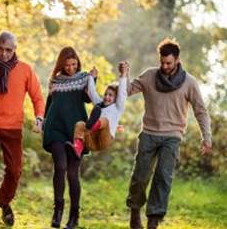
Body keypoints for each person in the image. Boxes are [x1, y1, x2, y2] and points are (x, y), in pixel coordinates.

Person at [123, 38, 212, 229]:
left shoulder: (189, 82)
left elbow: (200, 111)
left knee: (163, 176)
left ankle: (154, 219)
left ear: (177, 60)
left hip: (172, 136)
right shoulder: (149, 75)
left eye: (168, 63)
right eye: (162, 62)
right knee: (140, 175)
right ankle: (135, 210)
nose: (164, 66)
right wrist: (123, 77)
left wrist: (207, 136)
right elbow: (126, 91)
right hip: (148, 133)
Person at [0, 31, 45, 229]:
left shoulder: (25, 70)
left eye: (8, 50)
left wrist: (39, 117)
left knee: (14, 171)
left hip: (13, 127)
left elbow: (37, 97)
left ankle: (4, 201)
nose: (4, 54)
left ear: (15, 50)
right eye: (1, 49)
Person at [42, 46, 99, 229]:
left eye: (74, 64)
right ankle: (58, 211)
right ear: (61, 64)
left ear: (78, 63)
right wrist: (42, 123)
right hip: (56, 129)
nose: (71, 68)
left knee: (73, 174)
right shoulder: (54, 81)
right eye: (67, 65)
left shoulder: (83, 78)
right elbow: (49, 104)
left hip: (77, 131)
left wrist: (93, 79)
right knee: (60, 166)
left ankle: (74, 216)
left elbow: (89, 99)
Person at [72, 67, 128, 157]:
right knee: (80, 124)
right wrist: (92, 77)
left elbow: (122, 93)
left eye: (110, 95)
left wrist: (123, 75)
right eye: (106, 94)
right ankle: (77, 148)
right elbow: (92, 92)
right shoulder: (99, 104)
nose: (106, 97)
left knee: (105, 121)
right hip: (92, 141)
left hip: (104, 139)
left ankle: (92, 125)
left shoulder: (117, 107)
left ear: (116, 98)